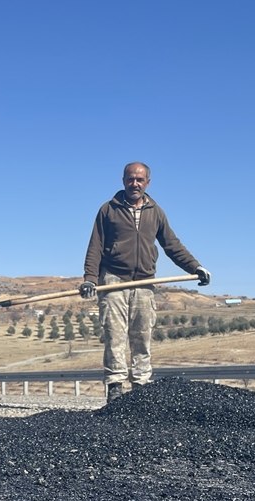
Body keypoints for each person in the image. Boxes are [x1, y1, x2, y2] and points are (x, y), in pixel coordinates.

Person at [81, 162, 211, 403]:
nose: (135, 184)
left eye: (140, 179)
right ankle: (116, 387)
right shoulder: (108, 210)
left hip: (144, 281)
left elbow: (172, 245)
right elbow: (95, 247)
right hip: (113, 279)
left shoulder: (156, 211)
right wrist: (90, 278)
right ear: (123, 180)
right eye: (131, 179)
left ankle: (141, 387)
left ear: (148, 183)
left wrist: (195, 267)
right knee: (115, 335)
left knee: (142, 334)